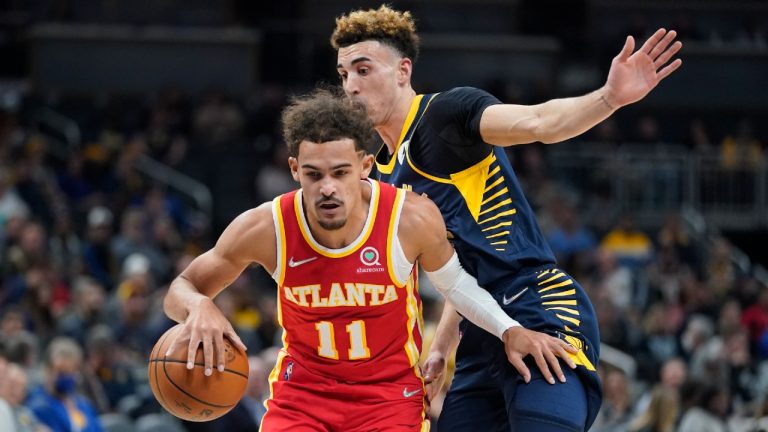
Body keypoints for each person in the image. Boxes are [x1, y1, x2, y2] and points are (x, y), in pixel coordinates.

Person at [330, 5, 682, 431]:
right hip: (483, 335)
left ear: (403, 70)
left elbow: (539, 121)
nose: (350, 85)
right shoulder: (385, 173)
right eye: (344, 73)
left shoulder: (446, 116)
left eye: (363, 70)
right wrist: (441, 346)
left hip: (538, 305)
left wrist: (608, 96)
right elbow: (456, 267)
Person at [163, 89, 576, 431]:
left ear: (364, 166)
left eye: (340, 173)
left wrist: (509, 330)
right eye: (313, 175)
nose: (327, 188)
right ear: (294, 169)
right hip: (304, 395)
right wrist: (199, 304)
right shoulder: (266, 227)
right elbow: (180, 288)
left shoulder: (408, 217)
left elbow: (457, 286)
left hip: (388, 397)